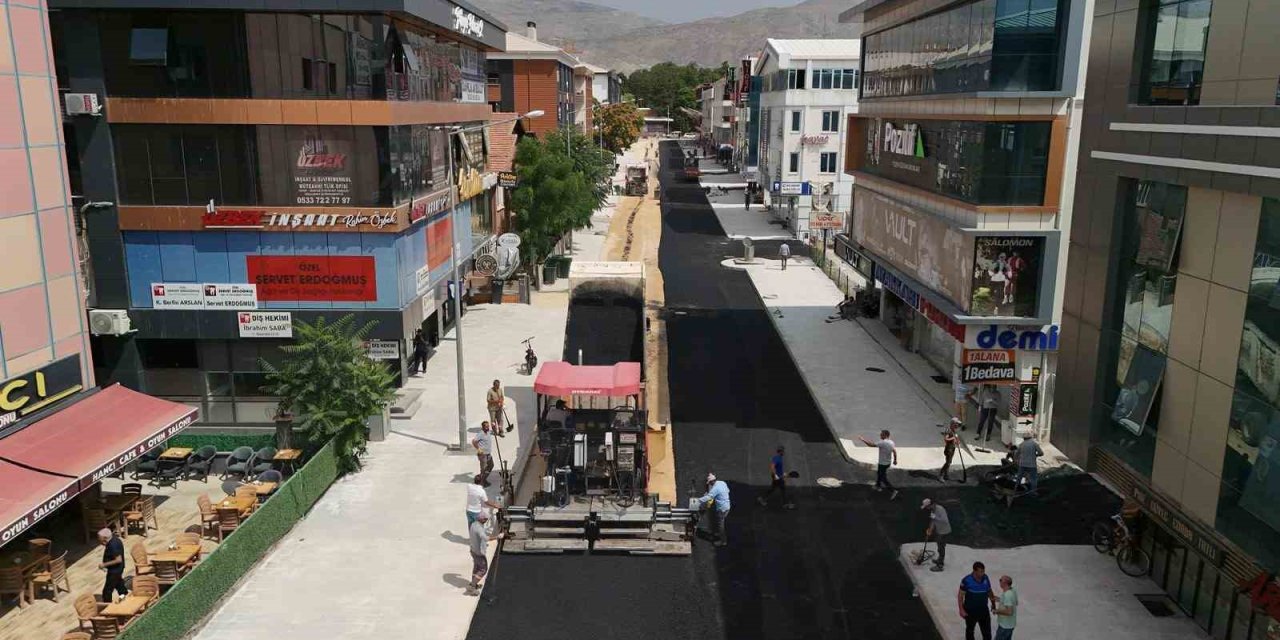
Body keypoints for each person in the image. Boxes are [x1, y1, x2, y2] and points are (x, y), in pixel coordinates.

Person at [958, 561, 997, 640]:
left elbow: (989, 591)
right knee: (970, 631)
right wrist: (961, 609)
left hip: (983, 610)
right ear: (974, 571)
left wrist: (993, 604)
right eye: (981, 572)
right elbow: (960, 596)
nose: (982, 573)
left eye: (983, 571)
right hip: (970, 611)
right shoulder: (966, 580)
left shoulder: (985, 578)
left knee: (987, 633)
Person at [858, 430, 899, 500]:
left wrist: (862, 439)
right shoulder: (891, 442)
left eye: (881, 435)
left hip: (882, 463)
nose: (880, 436)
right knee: (879, 473)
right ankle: (878, 486)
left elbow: (870, 445)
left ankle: (893, 491)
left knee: (883, 478)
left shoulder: (882, 443)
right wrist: (895, 460)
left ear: (885, 435)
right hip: (887, 463)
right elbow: (894, 451)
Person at [695, 473, 732, 547]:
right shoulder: (722, 483)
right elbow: (728, 491)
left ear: (712, 481)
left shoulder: (716, 488)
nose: (710, 484)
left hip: (722, 509)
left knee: (721, 525)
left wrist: (698, 500)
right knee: (719, 521)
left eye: (710, 483)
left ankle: (723, 541)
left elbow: (709, 497)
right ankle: (718, 534)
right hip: (727, 506)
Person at [465, 511, 491, 596]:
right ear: (482, 519)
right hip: (478, 553)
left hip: (473, 550)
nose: (486, 521)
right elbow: (485, 538)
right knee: (483, 569)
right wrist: (498, 536)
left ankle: (474, 583)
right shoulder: (479, 528)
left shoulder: (473, 524)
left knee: (476, 567)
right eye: (486, 519)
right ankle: (472, 586)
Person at [97, 527, 127, 603]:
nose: (98, 540)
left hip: (115, 571)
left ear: (105, 538)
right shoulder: (115, 540)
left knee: (107, 591)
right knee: (119, 585)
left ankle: (108, 607)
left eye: (99, 538)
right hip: (117, 569)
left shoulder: (112, 545)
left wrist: (104, 564)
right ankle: (125, 597)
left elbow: (118, 559)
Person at [922, 498, 951, 572]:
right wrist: (930, 529)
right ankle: (939, 560)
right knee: (939, 546)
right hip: (939, 531)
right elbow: (933, 521)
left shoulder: (940, 509)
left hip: (944, 531)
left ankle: (940, 565)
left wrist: (935, 517)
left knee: (941, 548)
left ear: (931, 505)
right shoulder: (933, 510)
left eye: (927, 507)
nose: (927, 508)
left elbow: (945, 520)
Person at [994, 575, 1018, 640]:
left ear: (1005, 583)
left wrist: (996, 611)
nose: (999, 581)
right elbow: (1015, 602)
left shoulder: (1008, 595)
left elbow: (1009, 612)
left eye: (1000, 580)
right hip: (1010, 624)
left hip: (1005, 626)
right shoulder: (1013, 590)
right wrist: (999, 599)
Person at [472, 421, 494, 485]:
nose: (487, 428)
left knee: (491, 465)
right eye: (486, 426)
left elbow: (495, 432)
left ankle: (483, 478)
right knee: (483, 469)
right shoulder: (480, 434)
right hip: (482, 454)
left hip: (488, 454)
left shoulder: (488, 432)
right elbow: (474, 441)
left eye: (488, 426)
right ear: (483, 427)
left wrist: (494, 427)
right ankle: (482, 482)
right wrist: (478, 449)